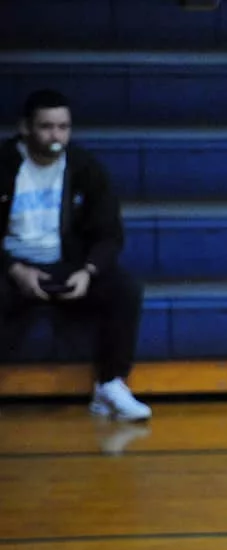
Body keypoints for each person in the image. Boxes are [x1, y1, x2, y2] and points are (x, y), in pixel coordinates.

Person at [0, 89, 150, 421]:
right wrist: (14, 269)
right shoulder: (5, 165)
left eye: (63, 127)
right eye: (46, 127)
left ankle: (110, 385)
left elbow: (110, 233)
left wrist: (89, 271)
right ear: (25, 128)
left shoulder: (85, 167)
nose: (56, 136)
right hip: (12, 267)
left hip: (66, 266)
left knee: (125, 289)